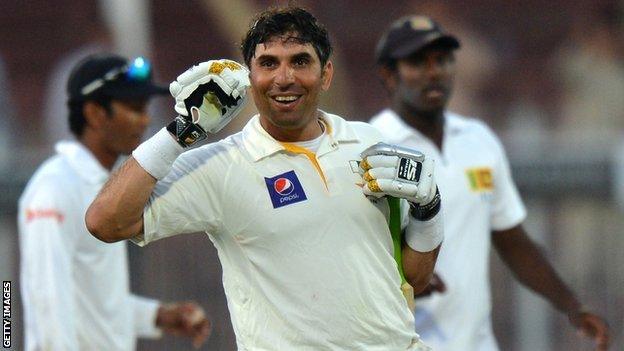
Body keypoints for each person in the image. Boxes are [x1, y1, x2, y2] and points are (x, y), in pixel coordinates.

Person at [85, 6, 445, 350]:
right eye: (268, 63)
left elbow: (414, 277)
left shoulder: (368, 143)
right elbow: (105, 221)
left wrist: (429, 210)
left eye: (300, 61)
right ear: (250, 77)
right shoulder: (222, 165)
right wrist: (180, 132)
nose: (284, 78)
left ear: (326, 74)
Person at [370, 15, 611, 351]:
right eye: (417, 62)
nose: (433, 72)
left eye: (441, 60)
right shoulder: (375, 144)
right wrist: (408, 273)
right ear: (388, 74)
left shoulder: (478, 140)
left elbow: (513, 240)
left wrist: (572, 306)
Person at [18, 54, 211, 351]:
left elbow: (94, 301)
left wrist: (157, 316)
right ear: (95, 113)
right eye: (134, 108)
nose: (145, 119)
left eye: (145, 108)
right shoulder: (54, 188)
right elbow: (47, 298)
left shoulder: (101, 186)